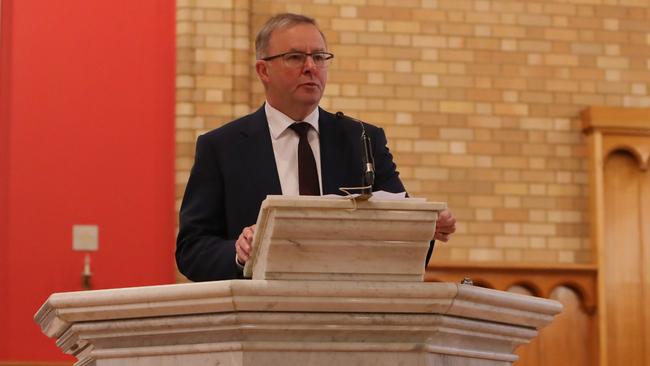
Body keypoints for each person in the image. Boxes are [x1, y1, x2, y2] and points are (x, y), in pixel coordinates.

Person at [176, 13, 456, 282]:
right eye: (295, 57)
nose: (310, 67)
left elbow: (402, 234)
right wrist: (239, 254)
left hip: (349, 313)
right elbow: (193, 250)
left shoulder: (362, 139)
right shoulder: (222, 147)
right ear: (263, 70)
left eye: (319, 57)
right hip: (261, 318)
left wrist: (425, 226)